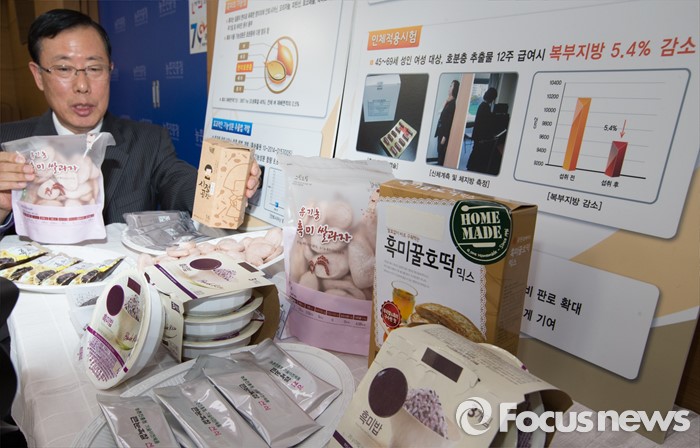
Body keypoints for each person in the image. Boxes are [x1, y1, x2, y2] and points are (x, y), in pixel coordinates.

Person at [0, 8, 261, 234]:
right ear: (38, 75)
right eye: (64, 69)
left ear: (110, 70)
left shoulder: (149, 141)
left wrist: (218, 187)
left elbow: (180, 183)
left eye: (94, 68)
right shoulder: (6, 145)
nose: (82, 86)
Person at [467, 87, 499, 174]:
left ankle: (470, 167)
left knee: (475, 151)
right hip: (480, 136)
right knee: (476, 152)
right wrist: (484, 138)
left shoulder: (483, 105)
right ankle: (471, 167)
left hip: (478, 135)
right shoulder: (485, 107)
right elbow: (484, 125)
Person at [433, 79, 459, 166]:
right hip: (440, 130)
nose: (449, 88)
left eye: (451, 86)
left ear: (455, 89)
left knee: (441, 151)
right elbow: (440, 112)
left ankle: (440, 166)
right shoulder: (448, 101)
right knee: (439, 150)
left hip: (443, 133)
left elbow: (449, 122)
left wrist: (445, 136)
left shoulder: (452, 104)